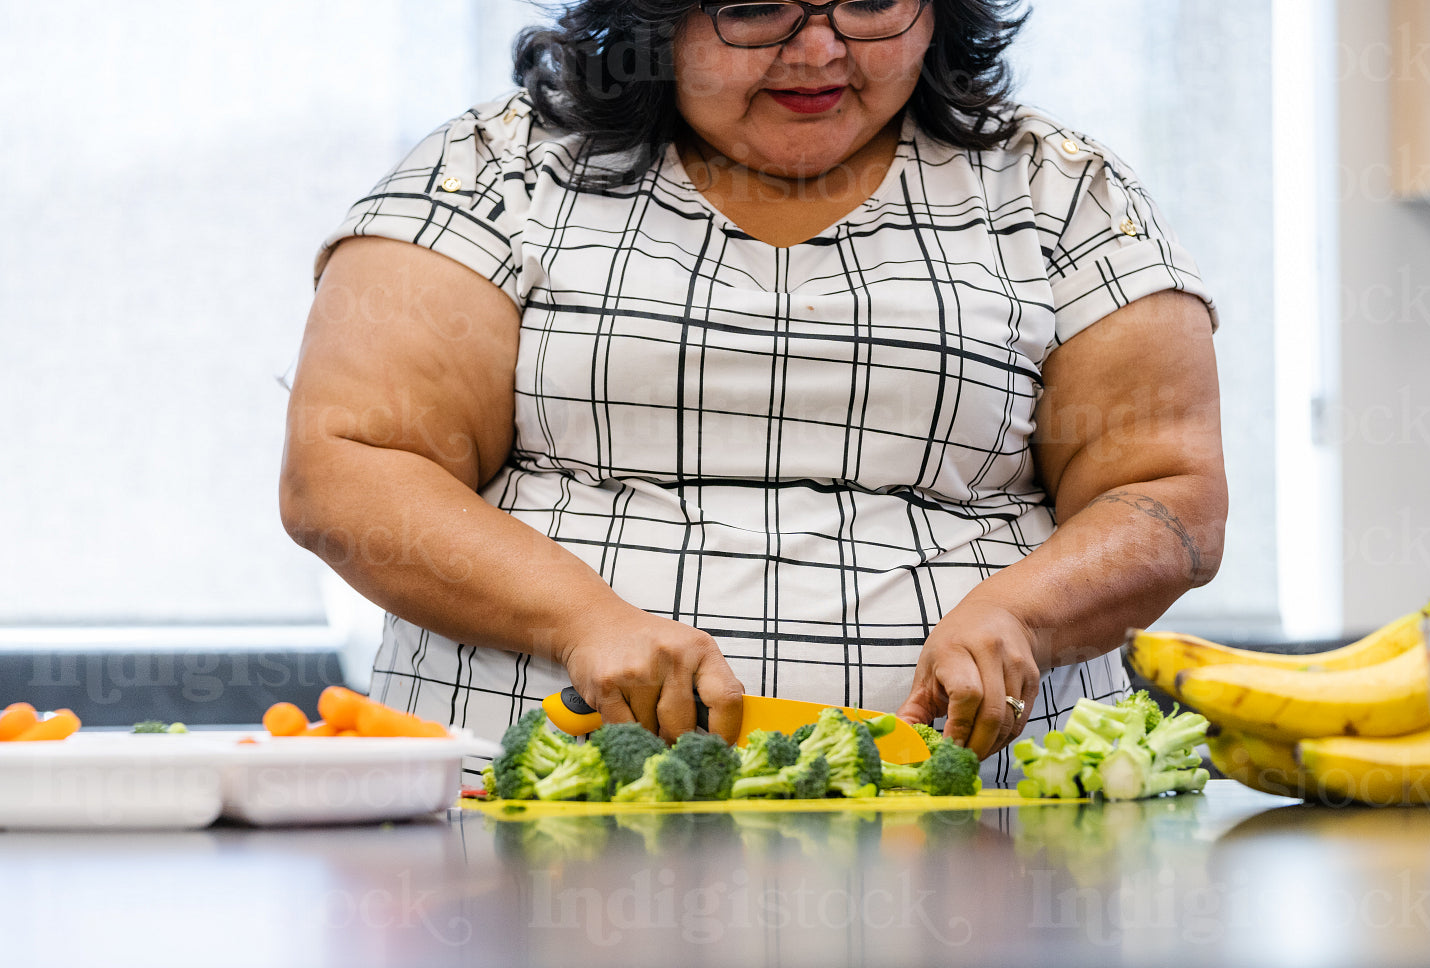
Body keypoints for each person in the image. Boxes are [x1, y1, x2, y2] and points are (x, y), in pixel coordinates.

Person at [280, 0, 1227, 786]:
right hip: (525, 803)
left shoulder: (1062, 190)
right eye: (752, 9)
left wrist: (1024, 611)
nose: (817, 48)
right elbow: (349, 466)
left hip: (989, 824)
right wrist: (584, 621)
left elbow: (1166, 493)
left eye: (869, 3)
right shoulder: (490, 170)